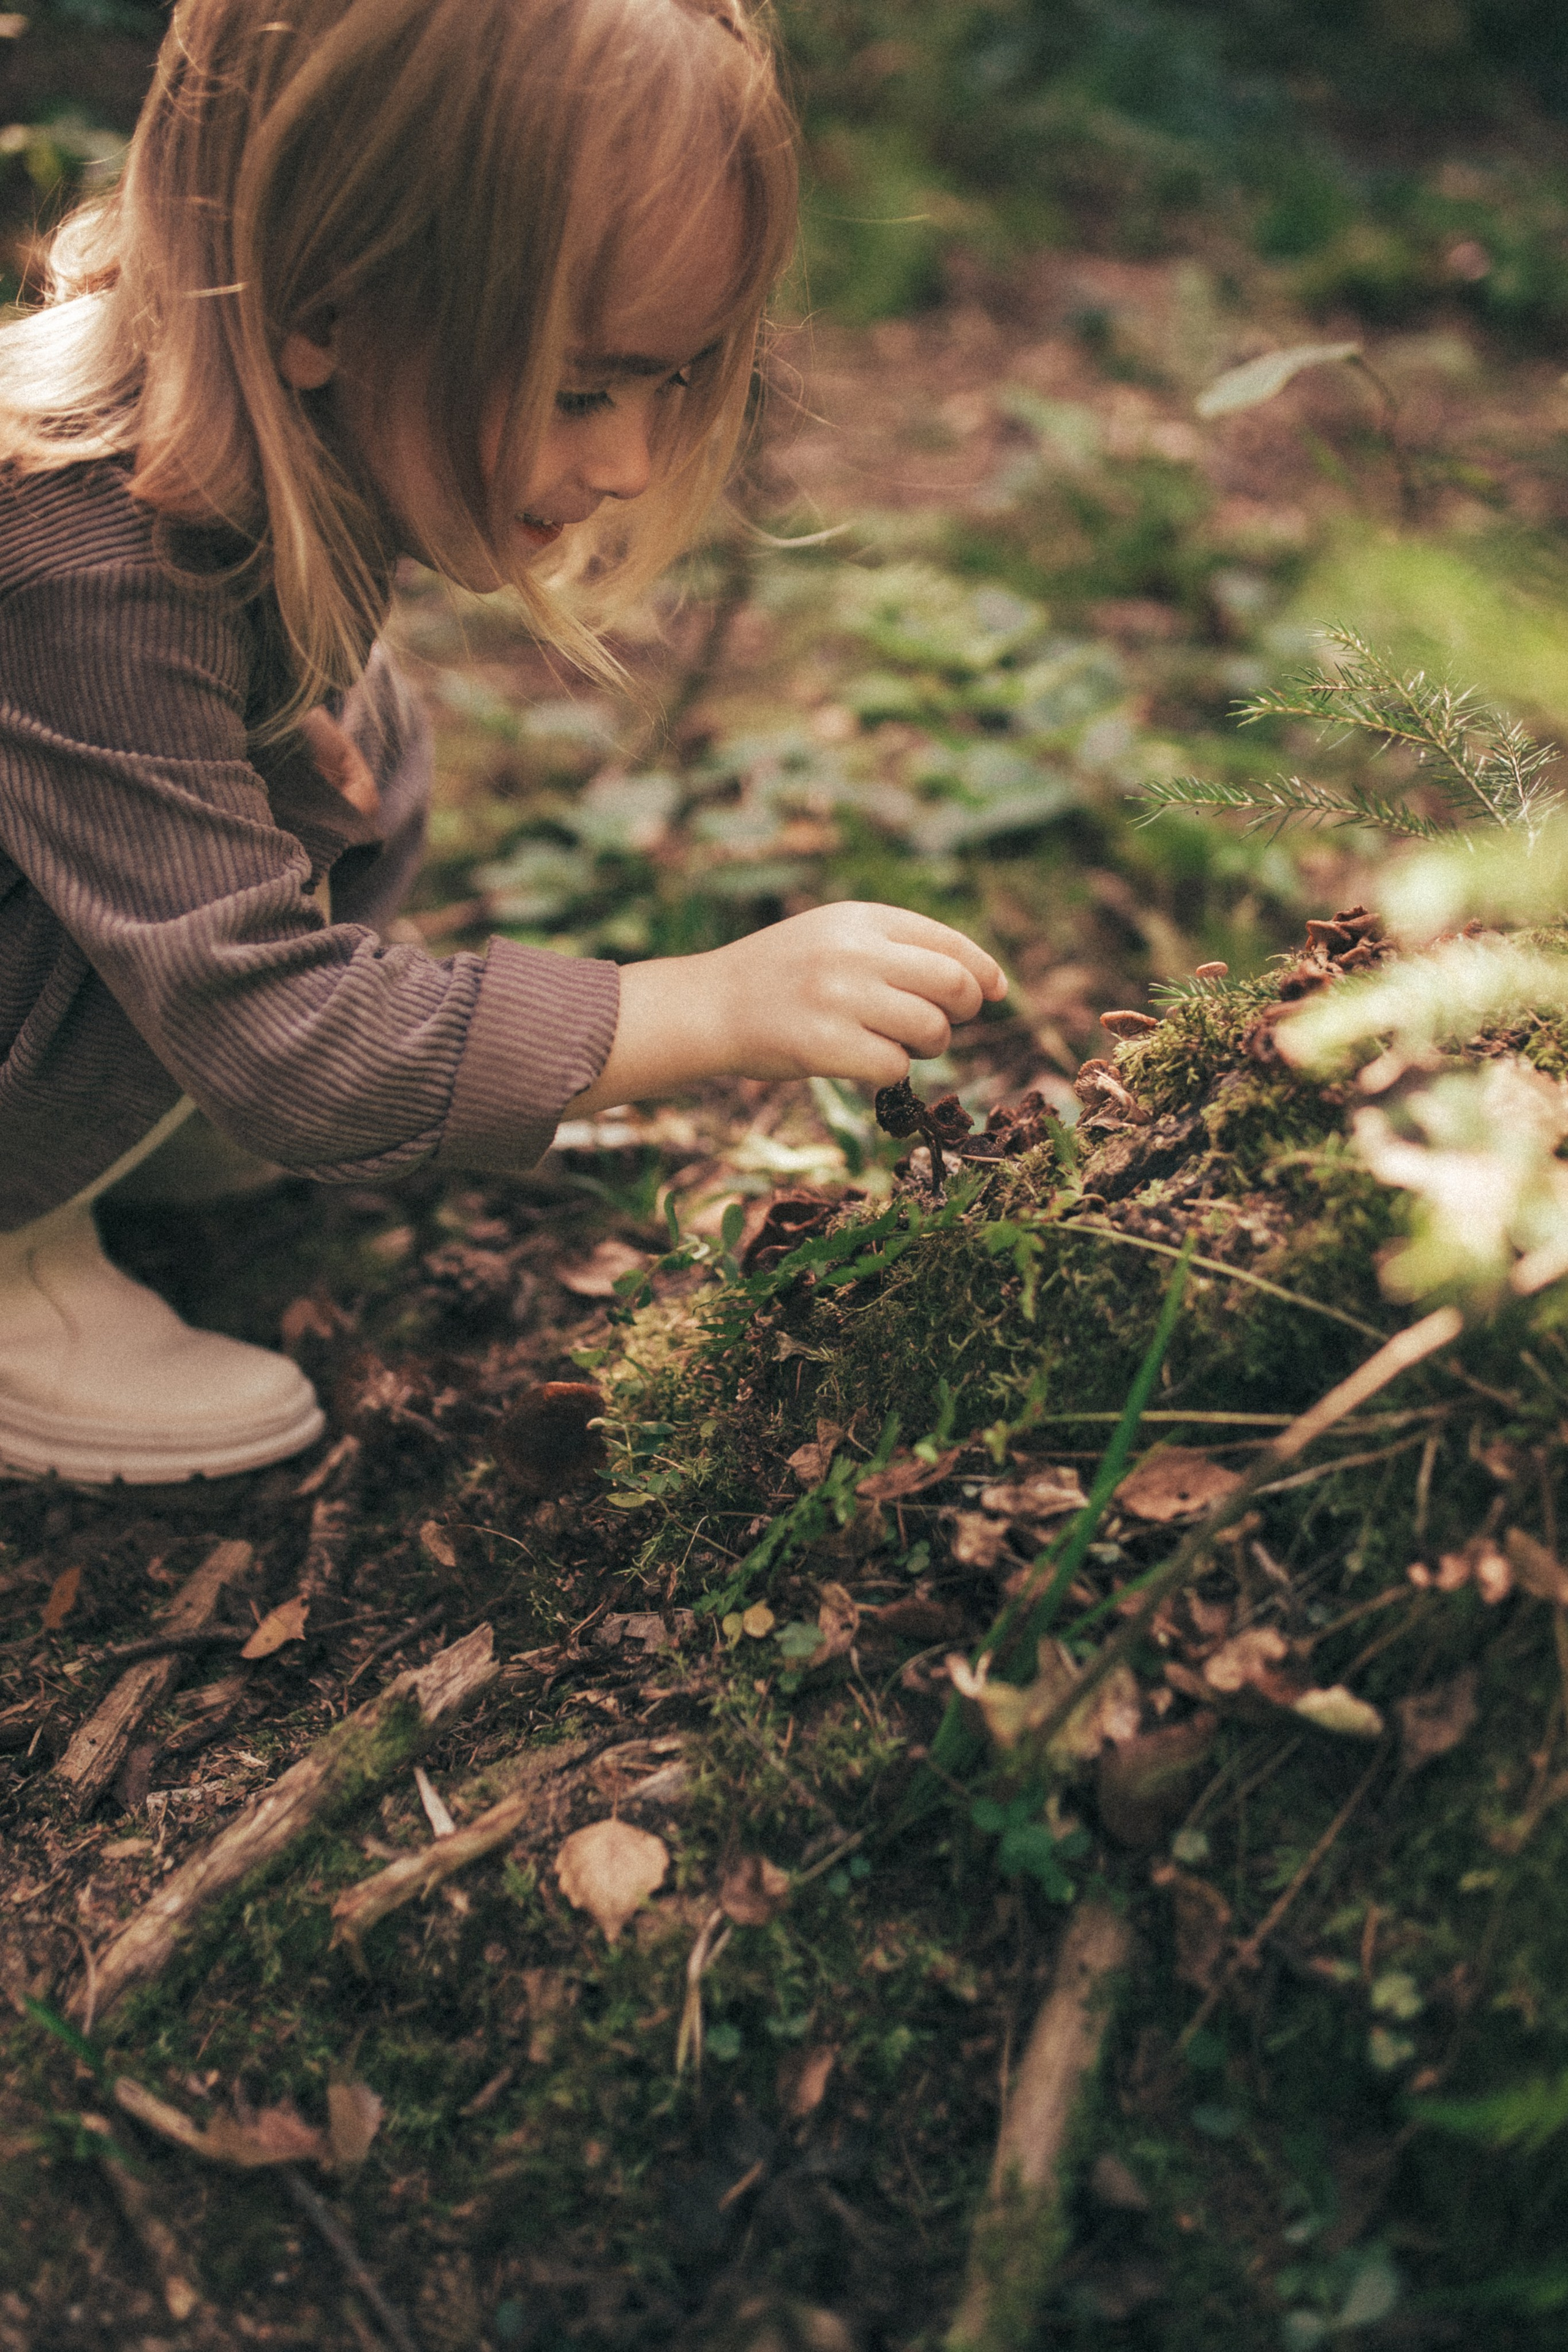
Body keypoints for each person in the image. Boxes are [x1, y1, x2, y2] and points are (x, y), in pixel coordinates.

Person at [0, 0, 1005, 1485]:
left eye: (671, 382)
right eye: (579, 387)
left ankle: (121, 1120)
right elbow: (288, 1039)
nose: (628, 464)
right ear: (327, 304)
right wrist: (708, 1005)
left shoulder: (225, 400)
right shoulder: (88, 556)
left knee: (356, 731)